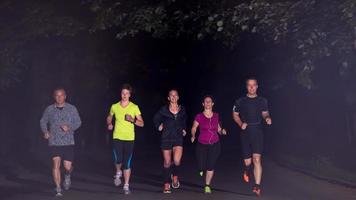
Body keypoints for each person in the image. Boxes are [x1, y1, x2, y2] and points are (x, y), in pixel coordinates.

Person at [232, 78, 272, 196]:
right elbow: (235, 114)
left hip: (258, 132)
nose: (252, 87)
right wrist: (240, 124)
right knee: (248, 162)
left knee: (257, 159)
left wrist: (267, 118)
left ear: (257, 86)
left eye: (254, 85)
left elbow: (265, 112)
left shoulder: (262, 101)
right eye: (249, 85)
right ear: (246, 87)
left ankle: (257, 186)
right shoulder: (240, 101)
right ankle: (247, 170)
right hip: (245, 133)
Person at [40, 88, 82, 197]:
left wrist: (69, 127)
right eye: (57, 95)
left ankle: (67, 175)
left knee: (67, 167)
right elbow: (43, 121)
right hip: (54, 141)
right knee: (56, 164)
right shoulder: (49, 109)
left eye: (61, 95)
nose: (59, 97)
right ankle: (58, 188)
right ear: (54, 97)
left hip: (68, 141)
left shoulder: (72, 108)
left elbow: (78, 122)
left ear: (65, 96)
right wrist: (45, 132)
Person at [106, 84, 144, 195]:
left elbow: (142, 123)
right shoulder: (114, 106)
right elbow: (109, 116)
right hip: (117, 136)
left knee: (127, 162)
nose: (124, 95)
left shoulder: (134, 107)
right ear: (120, 94)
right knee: (118, 159)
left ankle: (126, 185)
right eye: (123, 93)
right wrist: (109, 123)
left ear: (130, 95)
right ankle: (118, 171)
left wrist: (132, 120)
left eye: (127, 93)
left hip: (129, 138)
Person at [191, 95, 227, 194]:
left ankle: (207, 185)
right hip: (201, 143)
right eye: (206, 101)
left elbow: (219, 129)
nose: (208, 103)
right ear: (203, 104)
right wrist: (193, 135)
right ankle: (200, 168)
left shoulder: (216, 115)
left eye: (209, 101)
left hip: (215, 144)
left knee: (210, 165)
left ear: (212, 104)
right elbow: (194, 127)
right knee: (200, 163)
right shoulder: (199, 116)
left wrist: (222, 131)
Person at [153, 89, 187, 194]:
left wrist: (184, 128)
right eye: (171, 95)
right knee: (167, 162)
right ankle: (166, 183)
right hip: (166, 138)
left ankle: (175, 175)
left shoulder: (182, 110)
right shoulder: (164, 110)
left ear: (178, 97)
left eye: (175, 95)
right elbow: (156, 118)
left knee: (176, 161)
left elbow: (184, 120)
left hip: (178, 138)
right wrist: (159, 126)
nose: (173, 97)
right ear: (168, 98)